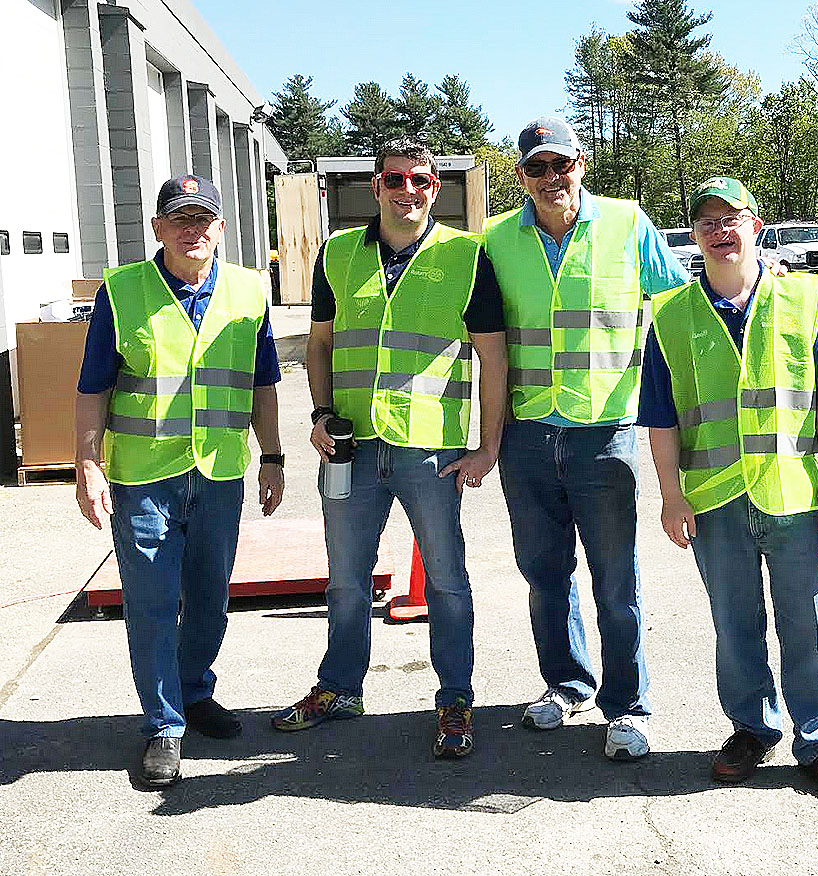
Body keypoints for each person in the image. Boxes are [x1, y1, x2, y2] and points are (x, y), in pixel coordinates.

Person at [271, 139, 508, 758]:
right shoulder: (338, 253)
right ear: (376, 187)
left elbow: (493, 356)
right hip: (349, 446)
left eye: (422, 181)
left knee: (448, 581)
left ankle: (455, 698)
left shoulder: (466, 256)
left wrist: (488, 447)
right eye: (396, 179)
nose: (410, 190)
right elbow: (318, 345)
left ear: (437, 189)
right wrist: (319, 413)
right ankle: (340, 687)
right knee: (346, 580)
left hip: (428, 451)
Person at [640, 176, 818, 806]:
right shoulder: (671, 315)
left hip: (793, 497)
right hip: (715, 501)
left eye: (732, 217)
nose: (721, 230)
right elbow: (659, 417)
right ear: (695, 234)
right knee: (734, 624)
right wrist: (670, 495)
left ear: (755, 225)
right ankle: (751, 728)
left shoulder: (806, 299)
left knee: (808, 625)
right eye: (707, 221)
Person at [482, 117, 688, 759]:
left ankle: (628, 706)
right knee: (545, 573)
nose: (551, 178)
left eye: (562, 164)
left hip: (608, 432)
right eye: (537, 167)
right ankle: (566, 685)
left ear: (581, 165)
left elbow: (680, 310)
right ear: (521, 176)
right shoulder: (496, 239)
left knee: (614, 580)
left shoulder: (627, 225)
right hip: (528, 435)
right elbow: (485, 338)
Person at [75, 174, 285, 788]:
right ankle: (163, 725)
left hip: (219, 471)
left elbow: (263, 383)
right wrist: (88, 466)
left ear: (220, 228)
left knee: (210, 597)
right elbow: (94, 391)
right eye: (180, 219)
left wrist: (272, 456)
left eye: (204, 220)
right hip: (145, 477)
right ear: (159, 229)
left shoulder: (250, 290)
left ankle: (195, 693)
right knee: (153, 602)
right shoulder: (122, 291)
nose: (193, 230)